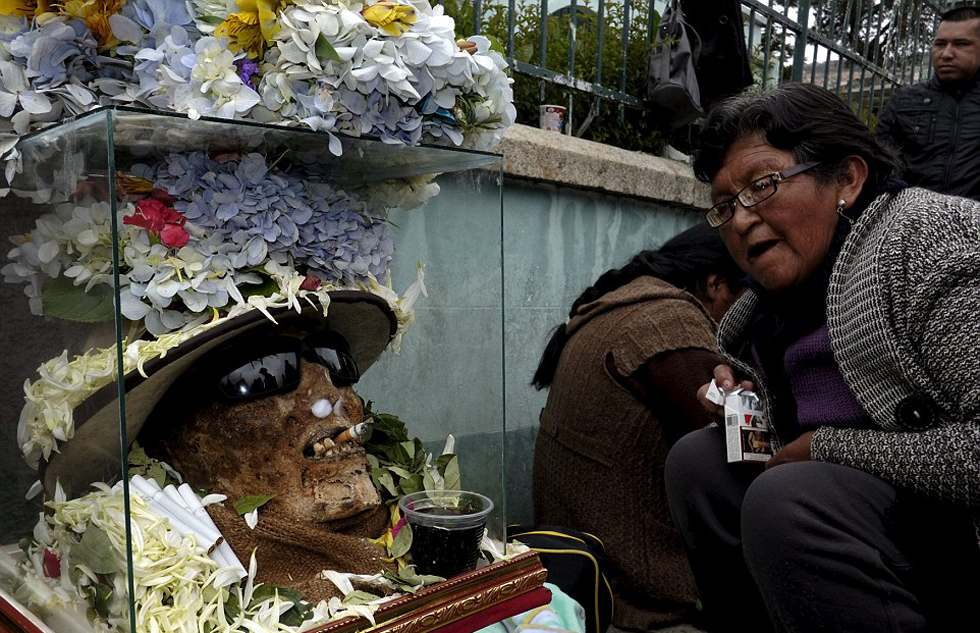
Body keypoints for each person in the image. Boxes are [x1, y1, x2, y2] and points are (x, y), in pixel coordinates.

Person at [664, 82, 980, 633]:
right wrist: (745, 400)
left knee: (788, 499)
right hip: (877, 518)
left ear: (848, 179)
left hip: (960, 535)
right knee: (701, 463)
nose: (739, 220)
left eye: (762, 185)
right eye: (723, 206)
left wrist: (828, 447)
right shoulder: (769, 308)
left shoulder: (931, 241)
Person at [531, 224, 744, 630]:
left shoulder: (627, 304)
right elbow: (738, 458)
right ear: (716, 283)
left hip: (579, 563)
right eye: (750, 299)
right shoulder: (668, 326)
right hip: (635, 596)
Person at [874, 5, 980, 200]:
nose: (946, 54)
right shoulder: (904, 101)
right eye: (940, 44)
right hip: (913, 220)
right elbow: (880, 161)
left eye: (961, 44)